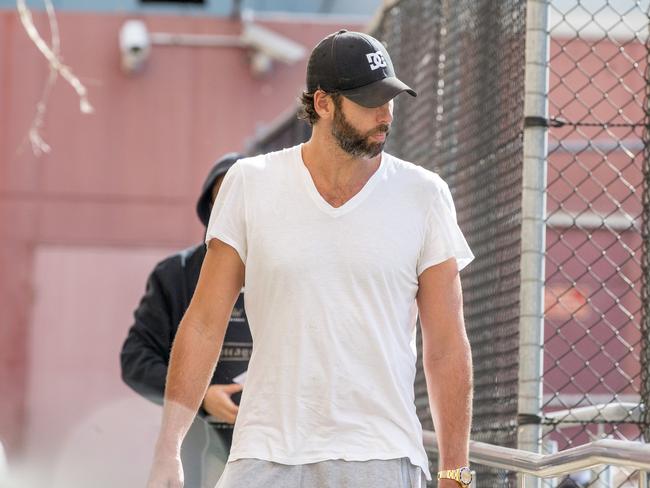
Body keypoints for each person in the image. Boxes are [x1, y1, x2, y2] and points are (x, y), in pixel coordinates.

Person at [147, 29, 475, 488]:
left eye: (391, 99)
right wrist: (168, 451)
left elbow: (446, 345)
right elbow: (203, 322)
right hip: (263, 454)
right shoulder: (250, 183)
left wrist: (456, 473)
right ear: (323, 103)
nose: (385, 114)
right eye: (369, 101)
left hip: (379, 456)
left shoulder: (424, 195)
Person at [121, 153, 252, 488]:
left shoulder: (287, 273)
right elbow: (135, 359)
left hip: (271, 449)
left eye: (245, 199)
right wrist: (202, 397)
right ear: (210, 209)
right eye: (224, 199)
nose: (235, 210)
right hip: (199, 451)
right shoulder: (175, 276)